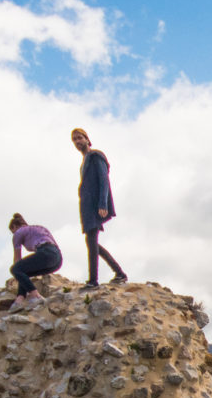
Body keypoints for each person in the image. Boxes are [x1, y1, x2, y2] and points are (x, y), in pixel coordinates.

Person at [73, 127, 127, 286]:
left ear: (87, 139)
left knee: (91, 240)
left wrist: (103, 204)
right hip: (87, 206)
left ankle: (93, 281)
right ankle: (119, 273)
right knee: (91, 242)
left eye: (79, 138)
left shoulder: (96, 156)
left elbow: (104, 180)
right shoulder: (83, 163)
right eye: (74, 140)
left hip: (95, 205)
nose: (77, 142)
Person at [7, 213, 63, 305]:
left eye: (12, 231)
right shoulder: (39, 228)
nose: (13, 234)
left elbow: (17, 259)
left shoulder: (18, 232)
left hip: (46, 252)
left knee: (15, 269)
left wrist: (16, 275)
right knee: (24, 272)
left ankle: (36, 296)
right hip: (57, 259)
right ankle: (20, 298)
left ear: (14, 226)